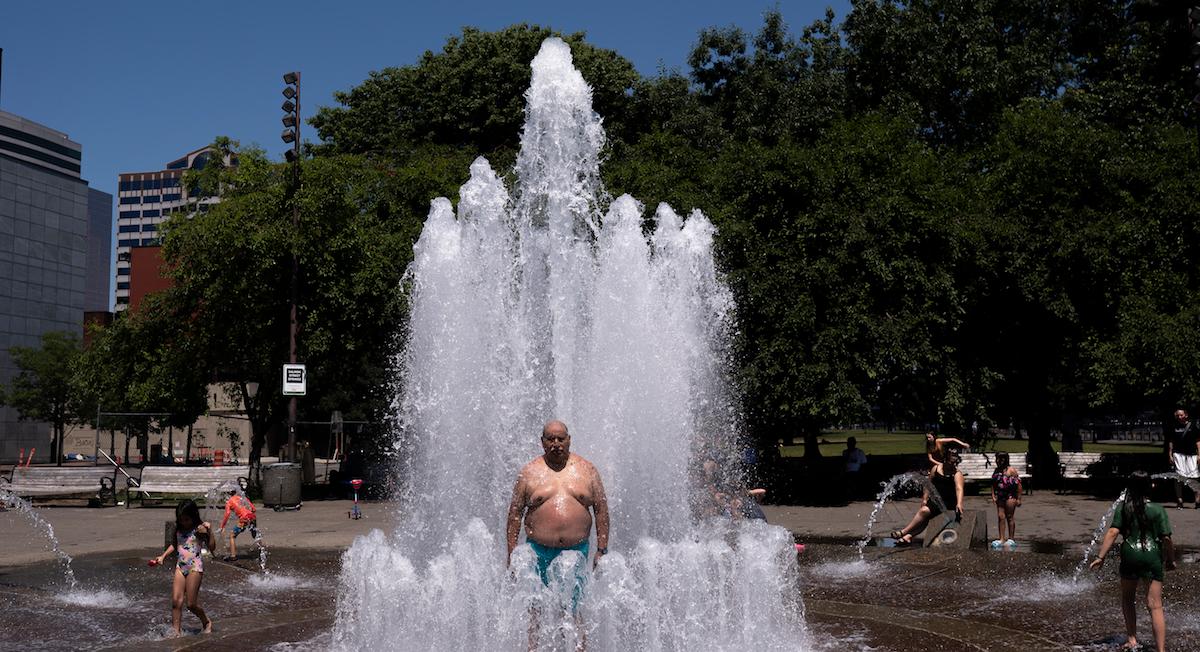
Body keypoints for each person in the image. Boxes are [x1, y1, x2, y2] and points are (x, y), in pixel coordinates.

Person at [506, 420, 610, 650]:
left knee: (572, 609)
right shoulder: (529, 473)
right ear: (542, 442)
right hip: (537, 551)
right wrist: (511, 554)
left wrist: (601, 549)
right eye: (550, 439)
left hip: (575, 551)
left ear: (569, 440)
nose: (556, 444)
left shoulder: (587, 470)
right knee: (535, 610)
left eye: (560, 439)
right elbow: (514, 515)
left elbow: (601, 510)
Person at [1090, 472, 1175, 652]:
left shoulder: (1123, 507)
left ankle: (1132, 639)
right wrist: (1170, 559)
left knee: (1128, 598)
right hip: (1152, 555)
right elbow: (1166, 538)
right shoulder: (1158, 509)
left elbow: (1113, 532)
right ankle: (1161, 650)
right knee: (1155, 605)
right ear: (1150, 487)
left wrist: (1100, 557)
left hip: (1130, 554)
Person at [151, 499, 215, 636]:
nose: (184, 522)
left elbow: (212, 547)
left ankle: (206, 621)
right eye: (181, 520)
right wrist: (163, 556)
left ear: (193, 516)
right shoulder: (178, 529)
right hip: (180, 566)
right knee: (176, 601)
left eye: (187, 519)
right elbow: (175, 545)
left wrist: (210, 532)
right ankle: (176, 632)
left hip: (194, 568)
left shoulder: (199, 529)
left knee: (191, 604)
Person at [892, 449, 965, 545]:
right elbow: (928, 484)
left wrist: (959, 503)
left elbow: (959, 488)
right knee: (925, 517)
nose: (951, 464)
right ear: (945, 459)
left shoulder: (957, 474)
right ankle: (908, 536)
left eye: (954, 461)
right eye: (949, 461)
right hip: (936, 500)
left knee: (924, 512)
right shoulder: (936, 468)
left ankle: (904, 532)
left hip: (948, 502)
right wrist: (925, 498)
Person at [1166, 408, 1199, 509]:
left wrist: (1199, 454)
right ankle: (1179, 500)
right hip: (1178, 454)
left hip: (1192, 454)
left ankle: (1197, 500)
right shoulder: (1173, 426)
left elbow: (1198, 441)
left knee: (1194, 477)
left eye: (1181, 415)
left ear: (1186, 415)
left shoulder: (1193, 426)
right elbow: (1171, 441)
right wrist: (1170, 454)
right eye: (1177, 415)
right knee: (1178, 478)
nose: (1179, 417)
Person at [218, 489, 261, 562]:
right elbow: (253, 509)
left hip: (244, 519)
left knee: (232, 535)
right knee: (255, 535)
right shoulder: (243, 498)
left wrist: (222, 526)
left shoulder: (229, 501)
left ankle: (233, 556)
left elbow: (227, 514)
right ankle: (260, 553)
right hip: (252, 517)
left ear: (228, 494)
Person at [990, 451, 1022, 548]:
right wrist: (993, 495)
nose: (1000, 461)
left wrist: (1019, 498)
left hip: (1010, 496)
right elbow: (993, 484)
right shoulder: (996, 470)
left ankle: (1011, 538)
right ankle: (1002, 538)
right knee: (1001, 516)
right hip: (1000, 495)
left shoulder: (1011, 470)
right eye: (998, 459)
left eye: (1002, 459)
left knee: (1009, 516)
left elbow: (1019, 485)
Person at [842, 437, 868, 501]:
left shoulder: (859, 452)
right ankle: (850, 495)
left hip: (856, 472)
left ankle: (853, 494)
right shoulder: (845, 452)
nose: (849, 445)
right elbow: (843, 463)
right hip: (847, 472)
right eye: (848, 443)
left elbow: (864, 464)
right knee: (848, 478)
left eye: (851, 443)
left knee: (853, 478)